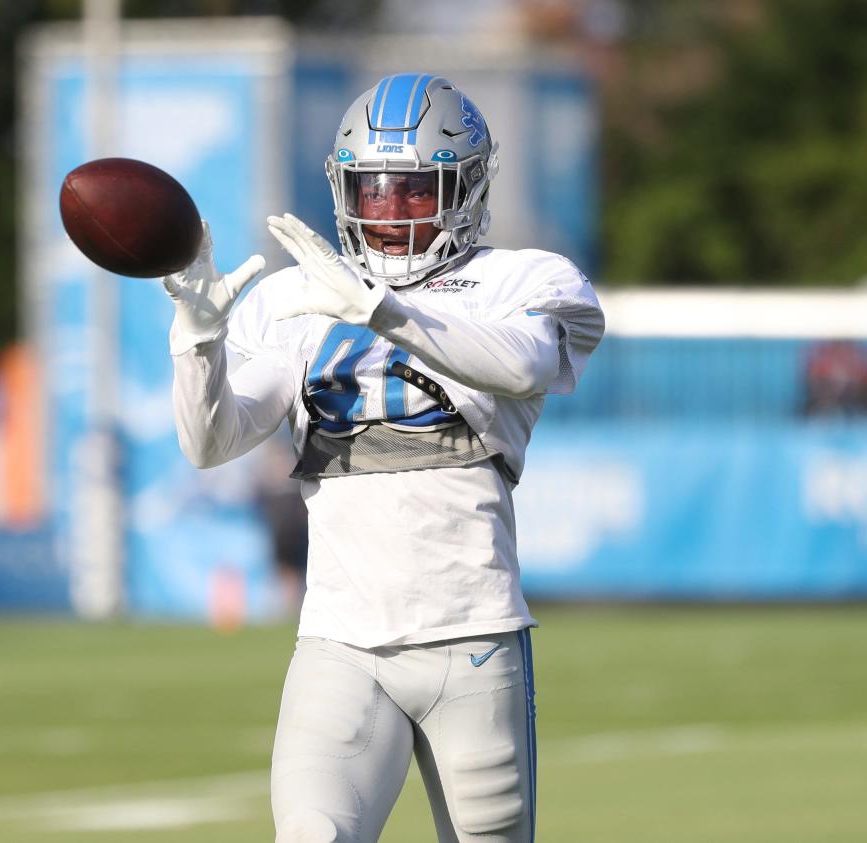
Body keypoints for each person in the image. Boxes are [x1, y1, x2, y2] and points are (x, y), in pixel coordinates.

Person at [163, 73, 604, 843]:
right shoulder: (299, 298)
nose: (389, 213)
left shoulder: (521, 281)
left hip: (473, 639)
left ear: (465, 188)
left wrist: (382, 311)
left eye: (413, 190)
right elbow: (213, 442)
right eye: (372, 190)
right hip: (341, 642)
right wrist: (198, 344)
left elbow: (525, 365)